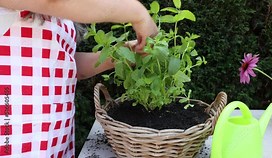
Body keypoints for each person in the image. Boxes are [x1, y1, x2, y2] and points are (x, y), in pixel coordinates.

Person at [0, 0, 158, 157]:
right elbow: (52, 2)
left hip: (56, 140)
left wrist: (121, 56)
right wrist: (137, 13)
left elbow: (63, 64)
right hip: (12, 135)